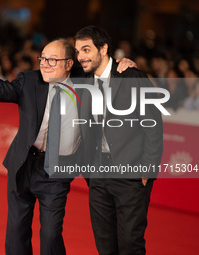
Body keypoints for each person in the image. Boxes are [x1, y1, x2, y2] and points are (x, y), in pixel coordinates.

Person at [0, 38, 135, 255]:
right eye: (42, 58)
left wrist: (125, 66)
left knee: (51, 234)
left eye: (52, 60)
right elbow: (1, 89)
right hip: (24, 164)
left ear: (69, 64)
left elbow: (111, 76)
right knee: (17, 230)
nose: (44, 64)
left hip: (58, 170)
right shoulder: (30, 80)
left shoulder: (87, 83)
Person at [74, 26, 163, 255]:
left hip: (130, 174)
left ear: (103, 48)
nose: (81, 56)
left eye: (86, 49)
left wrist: (147, 169)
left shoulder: (132, 76)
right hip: (97, 174)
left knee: (130, 245)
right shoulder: (84, 80)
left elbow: (153, 124)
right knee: (105, 246)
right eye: (78, 51)